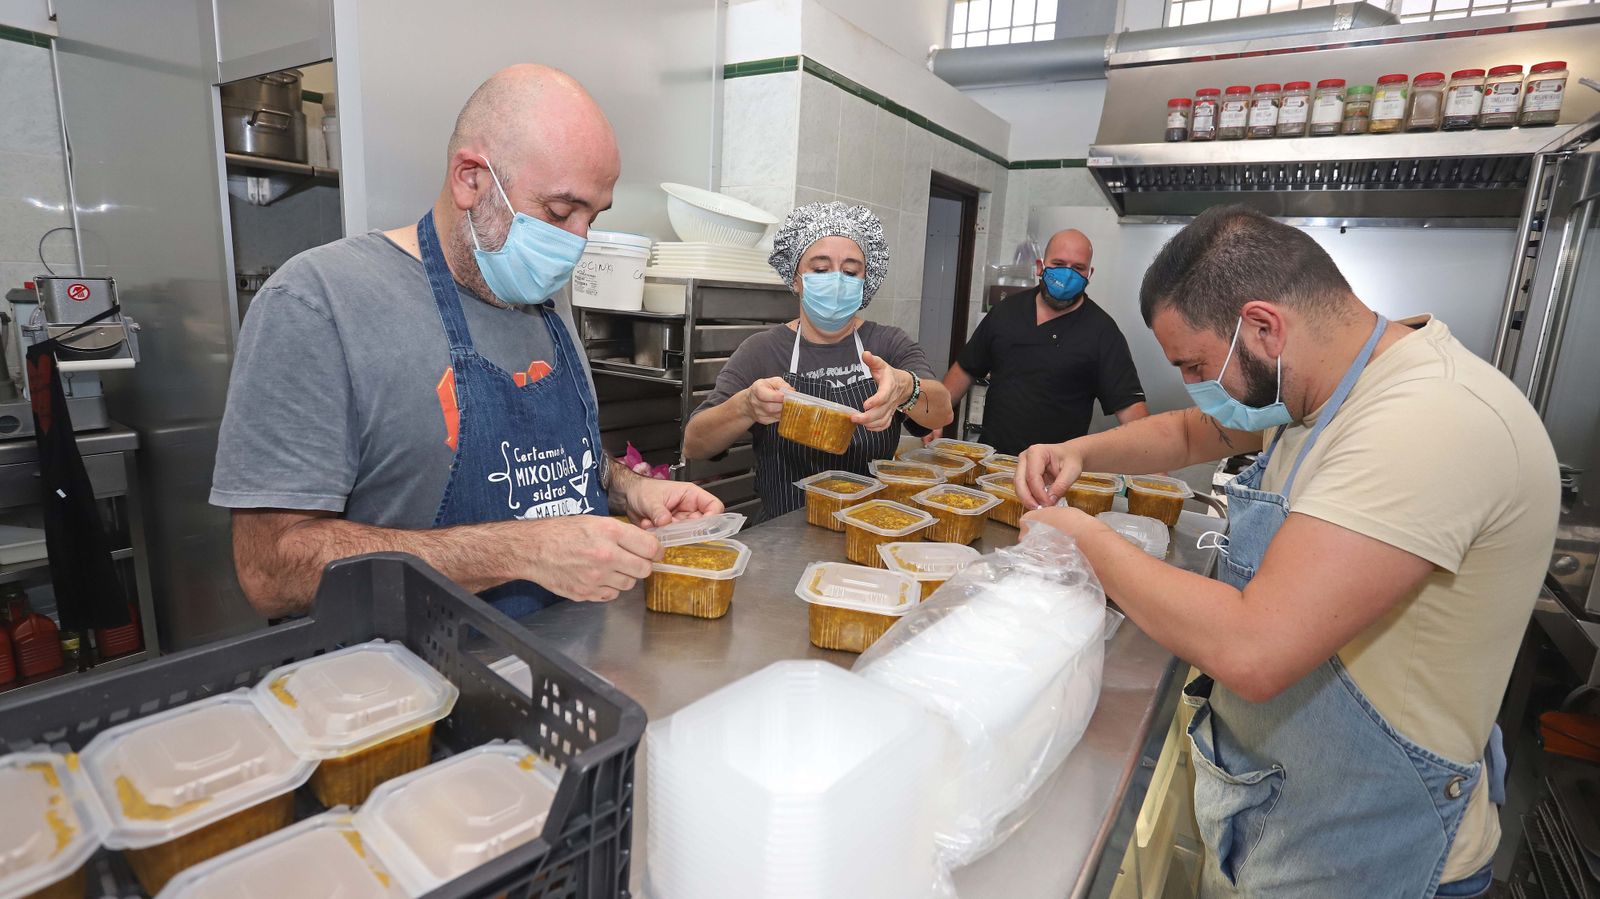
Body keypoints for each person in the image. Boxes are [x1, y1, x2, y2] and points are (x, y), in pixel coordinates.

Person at [1017, 206, 1558, 898]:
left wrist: (1084, 536)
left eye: (1195, 365)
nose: (1196, 386)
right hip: (1291, 813)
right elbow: (1192, 432)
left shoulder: (1426, 419)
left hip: (1373, 856)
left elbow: (1255, 648)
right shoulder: (1323, 386)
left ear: (1264, 327)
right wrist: (1078, 452)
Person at [211, 65, 721, 619]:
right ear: (470, 179)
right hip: (413, 666)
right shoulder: (319, 301)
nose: (576, 243)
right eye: (559, 212)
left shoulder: (542, 296)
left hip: (566, 656)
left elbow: (550, 460)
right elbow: (271, 570)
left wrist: (627, 488)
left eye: (591, 218)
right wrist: (519, 551)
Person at [682, 202, 953, 520]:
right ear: (796, 279)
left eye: (850, 272)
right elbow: (694, 444)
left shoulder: (888, 344)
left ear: (865, 280)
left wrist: (906, 388)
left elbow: (942, 411)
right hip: (782, 531)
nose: (836, 281)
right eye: (821, 270)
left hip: (868, 526)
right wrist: (745, 406)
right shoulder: (762, 351)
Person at [935, 228, 1148, 455]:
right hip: (993, 461)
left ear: (1089, 274)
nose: (1067, 275)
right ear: (1040, 266)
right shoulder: (1006, 312)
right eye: (1058, 264)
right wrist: (935, 417)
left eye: (1078, 268)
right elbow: (966, 368)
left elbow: (1130, 407)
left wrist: (1152, 460)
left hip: (1055, 467)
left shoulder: (1103, 332)